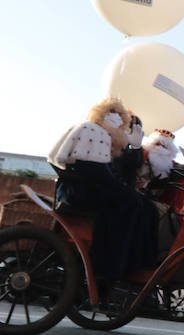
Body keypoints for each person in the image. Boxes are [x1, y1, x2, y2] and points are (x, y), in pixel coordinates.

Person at [47, 97, 158, 285]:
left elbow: (120, 173)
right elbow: (93, 170)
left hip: (94, 185)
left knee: (148, 207)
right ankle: (106, 266)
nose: (115, 118)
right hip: (78, 189)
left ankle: (135, 264)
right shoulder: (91, 130)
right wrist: (122, 188)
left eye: (118, 115)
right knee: (129, 203)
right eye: (111, 113)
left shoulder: (109, 139)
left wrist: (135, 149)